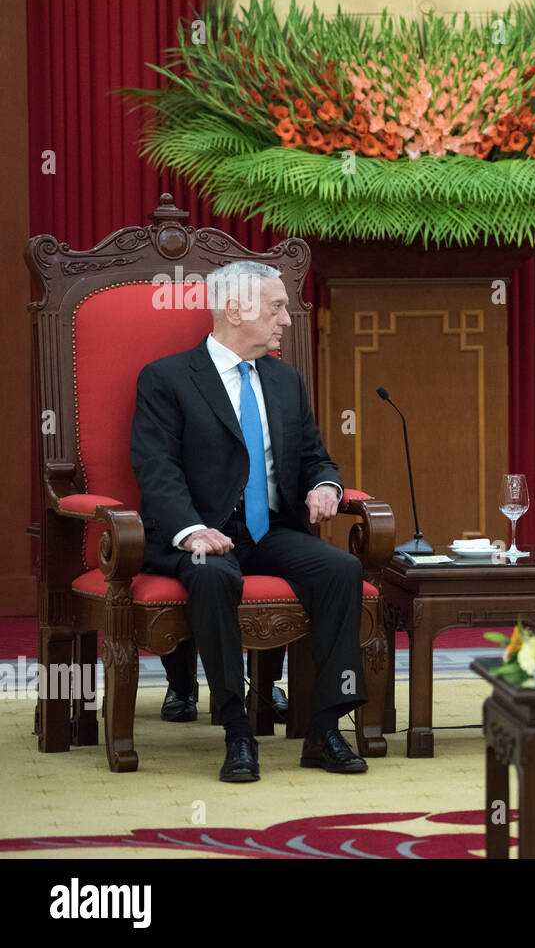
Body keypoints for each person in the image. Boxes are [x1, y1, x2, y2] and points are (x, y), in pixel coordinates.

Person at [130, 260, 370, 782]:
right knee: (214, 573)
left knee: (341, 570)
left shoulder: (283, 380)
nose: (286, 318)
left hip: (270, 531)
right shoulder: (167, 378)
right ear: (236, 309)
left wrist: (326, 485)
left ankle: (325, 727)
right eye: (277, 306)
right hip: (197, 534)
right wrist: (191, 529)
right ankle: (237, 731)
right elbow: (156, 468)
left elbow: (314, 456)